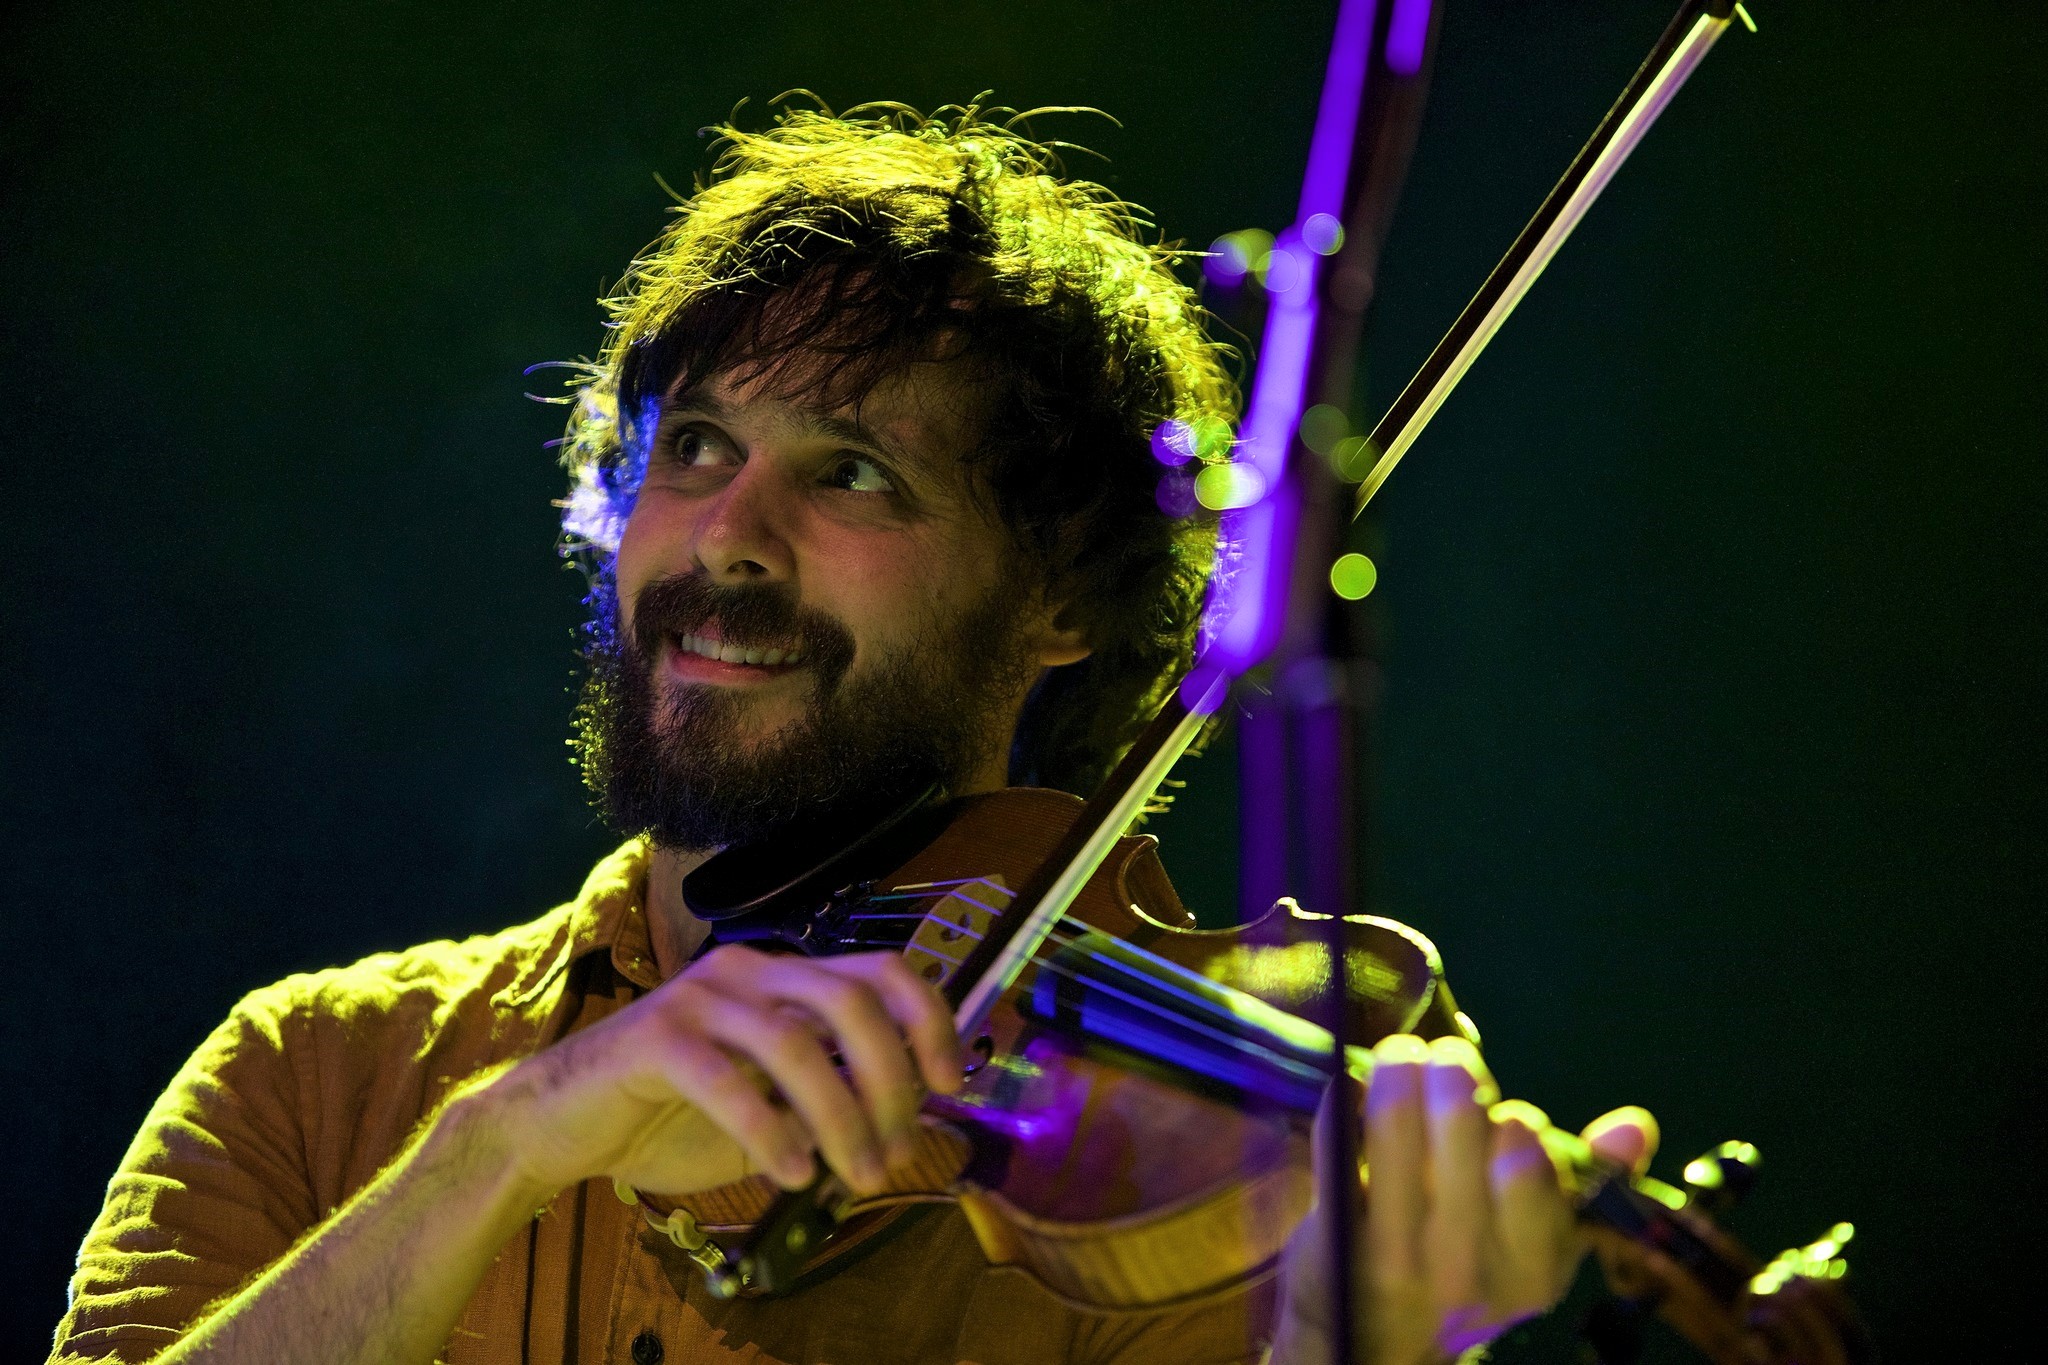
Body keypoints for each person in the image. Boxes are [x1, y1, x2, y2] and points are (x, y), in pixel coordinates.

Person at [50, 104, 1653, 1365]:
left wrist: (1330, 1346)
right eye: (693, 447)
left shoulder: (1170, 1177)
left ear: (1064, 597)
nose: (728, 537)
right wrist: (494, 1152)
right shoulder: (322, 1074)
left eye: (853, 473)